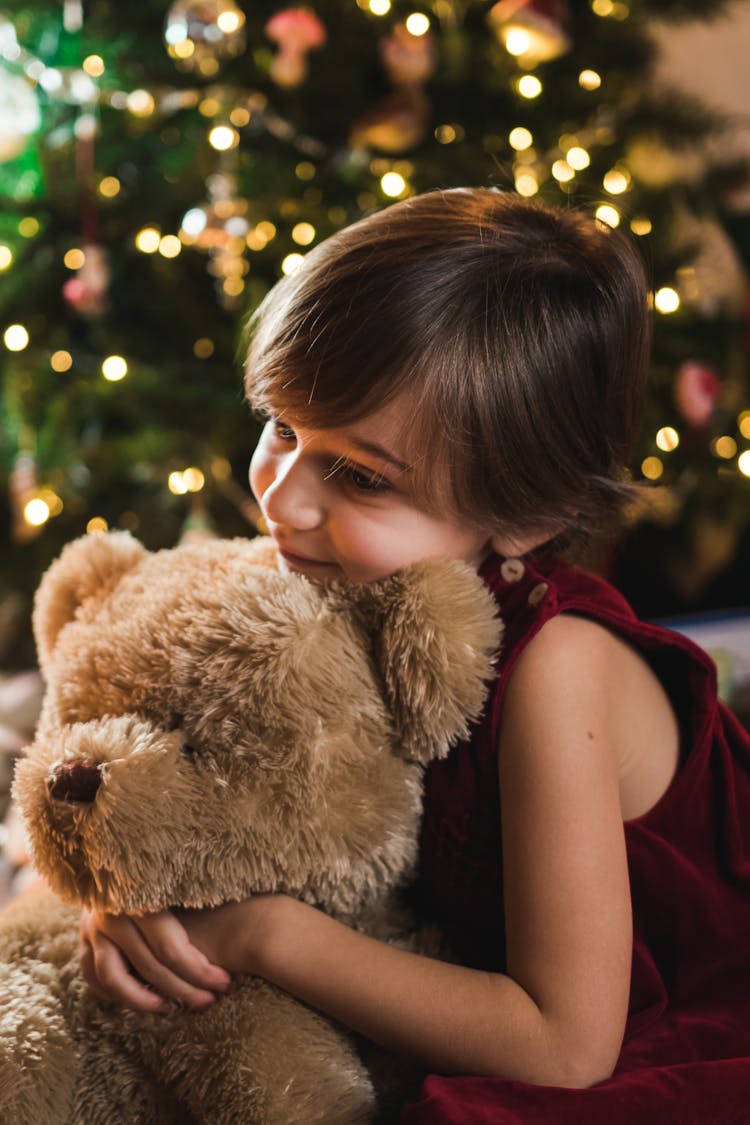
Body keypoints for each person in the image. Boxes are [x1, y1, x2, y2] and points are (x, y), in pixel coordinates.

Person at [79, 188, 750, 1122]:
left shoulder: (558, 666)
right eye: (281, 428)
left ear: (527, 515)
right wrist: (138, 896)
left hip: (677, 1016)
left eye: (357, 476)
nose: (282, 499)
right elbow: (225, 798)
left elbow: (565, 1045)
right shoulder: (325, 581)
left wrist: (263, 933)